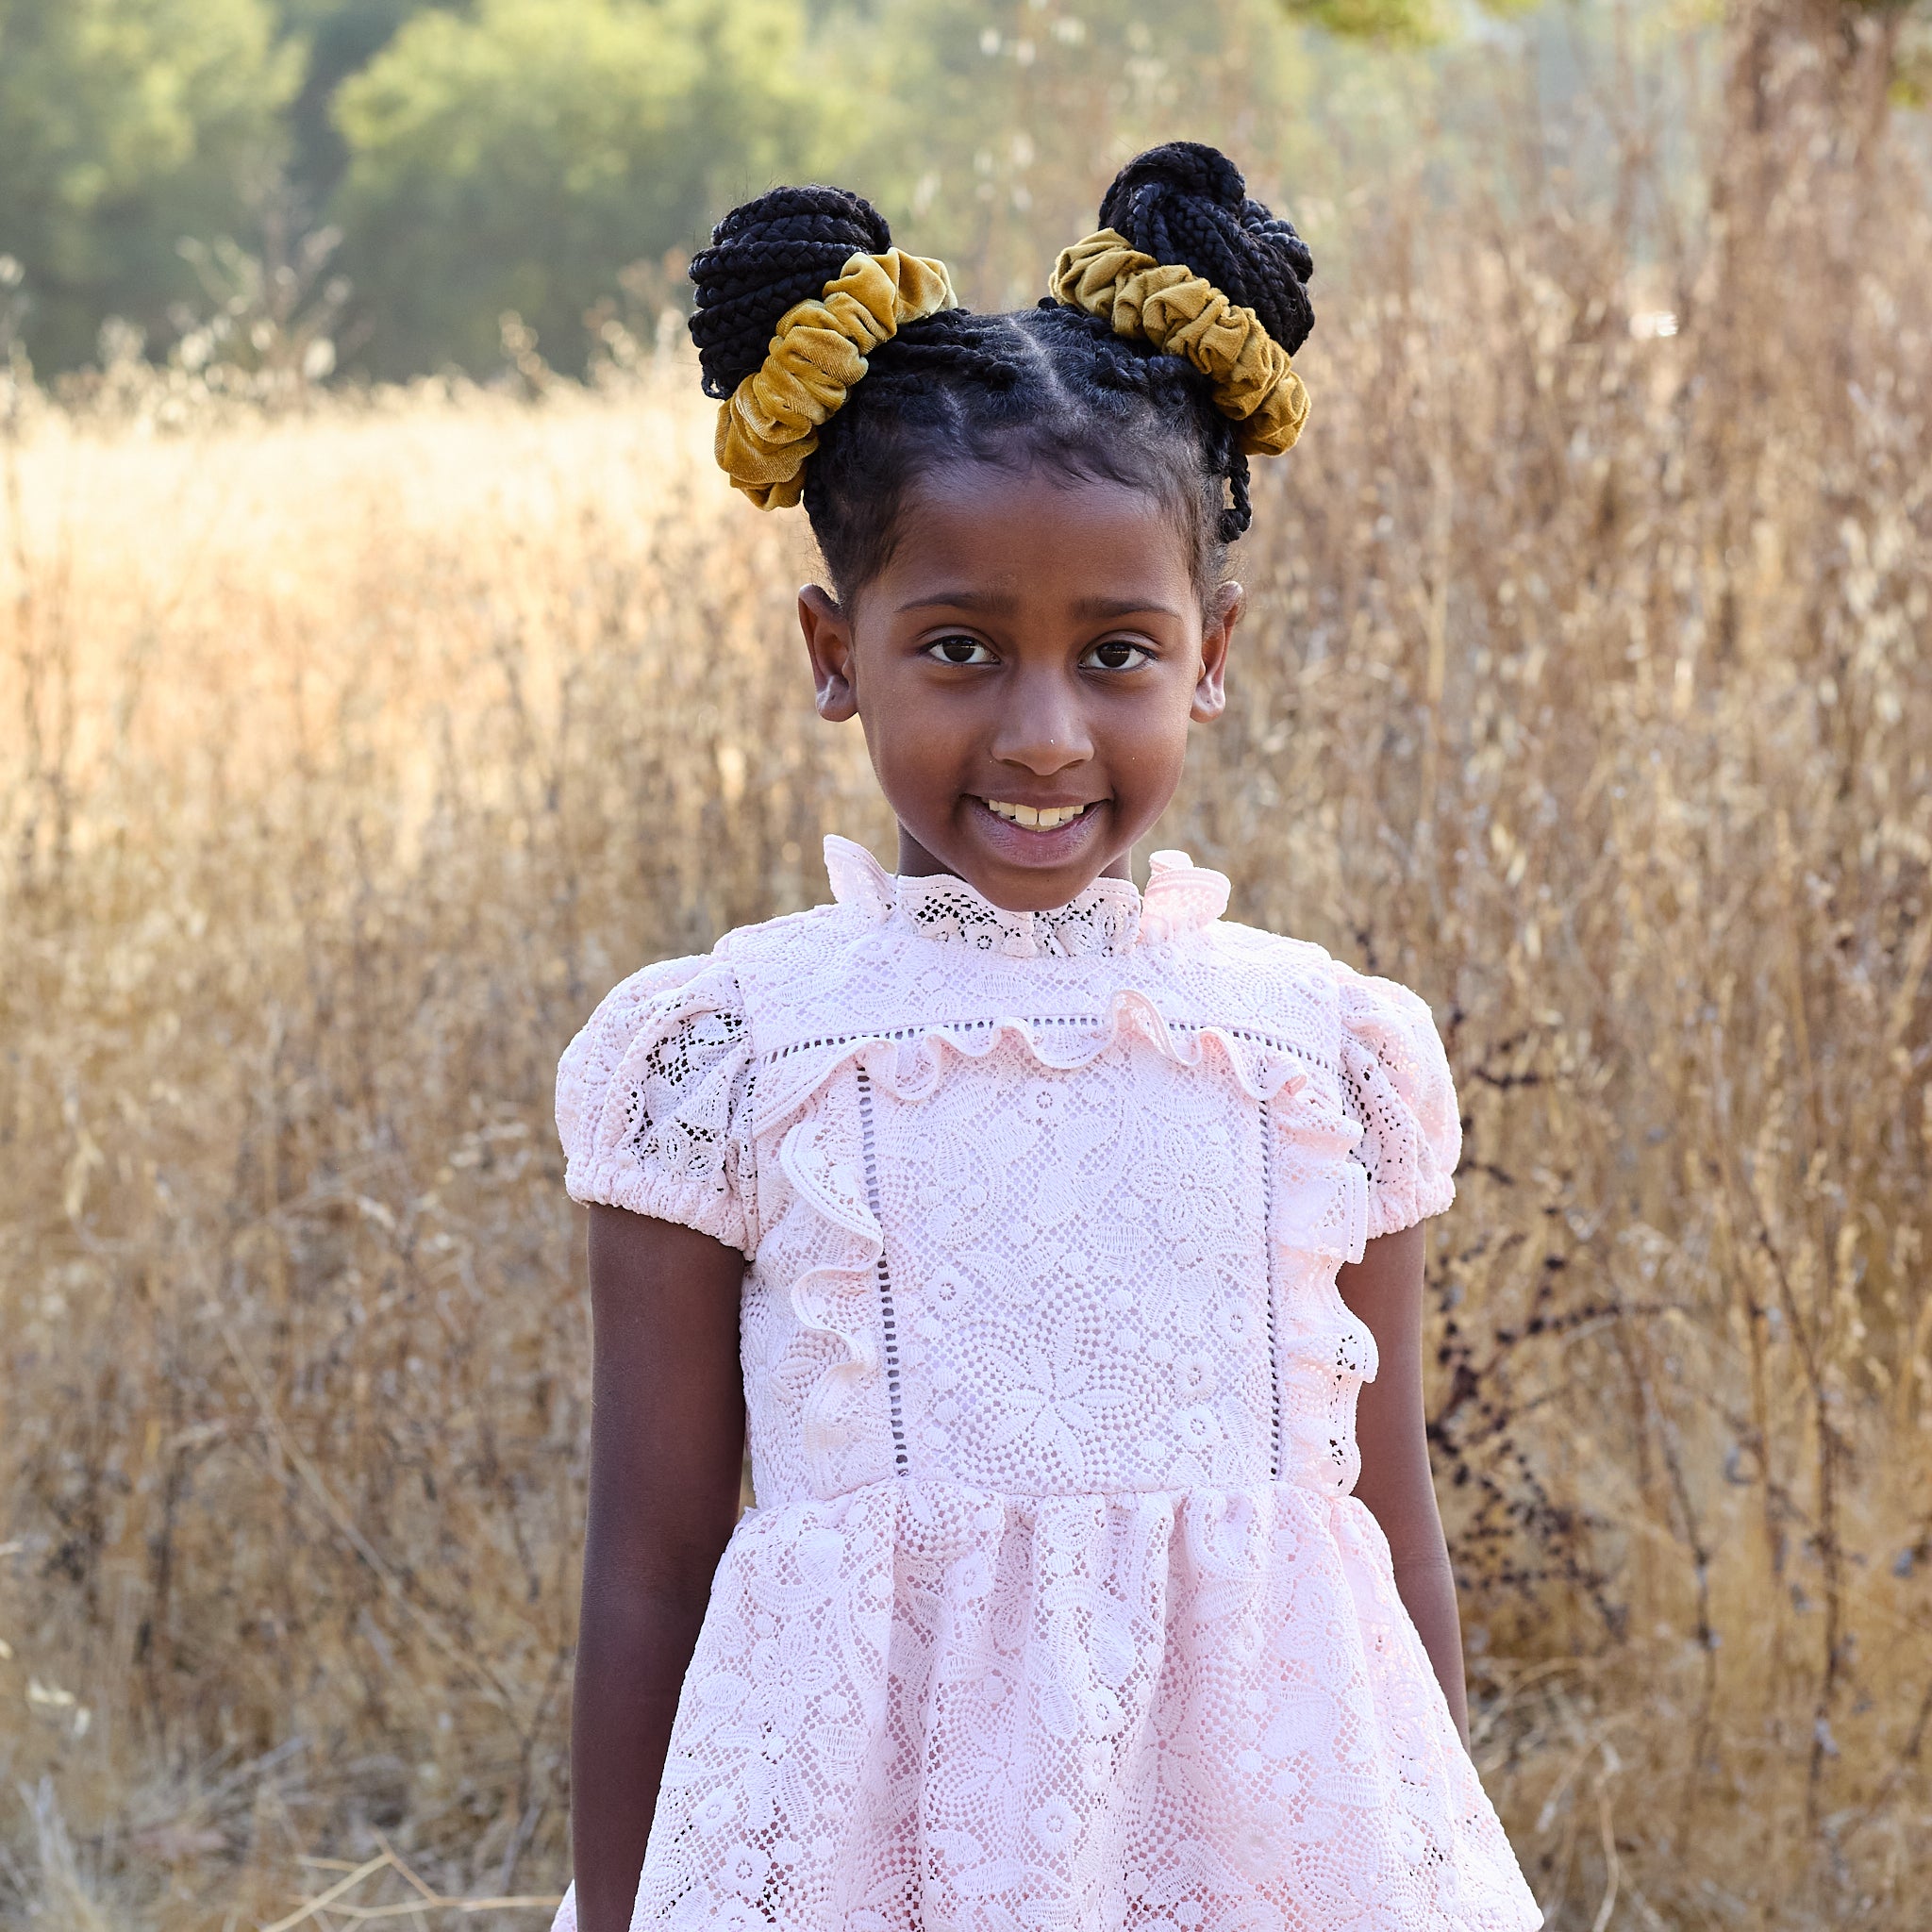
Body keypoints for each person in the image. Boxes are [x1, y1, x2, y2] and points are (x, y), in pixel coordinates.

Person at [552, 142, 1541, 1932]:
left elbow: (1380, 1539)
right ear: (832, 648)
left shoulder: (1321, 1060)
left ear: (1210, 654)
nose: (1040, 734)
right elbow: (653, 1567)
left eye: (1115, 655)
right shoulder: (729, 1058)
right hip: (874, 1864)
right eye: (955, 647)